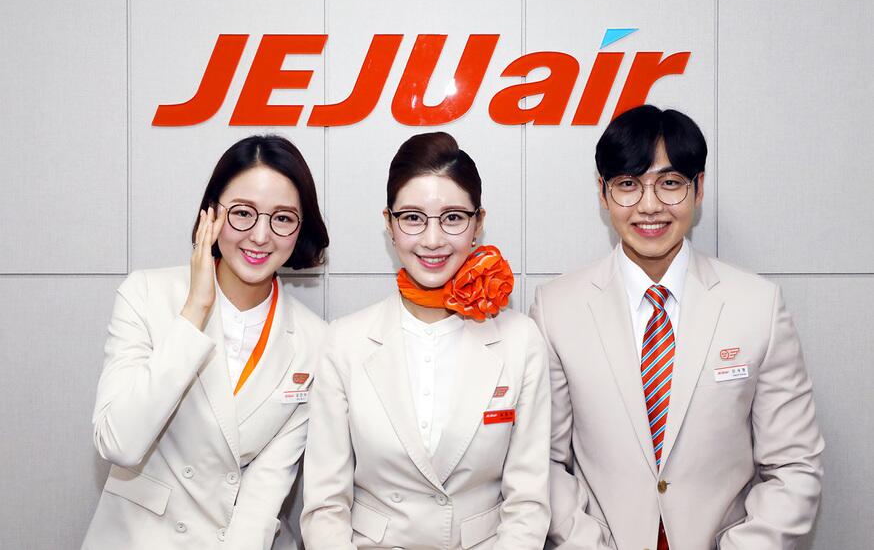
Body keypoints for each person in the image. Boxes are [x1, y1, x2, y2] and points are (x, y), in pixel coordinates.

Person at [531, 105, 824, 550]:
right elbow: (545, 462)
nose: (649, 206)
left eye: (669, 183)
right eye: (628, 184)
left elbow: (794, 466)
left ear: (698, 188)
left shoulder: (757, 306)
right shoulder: (556, 309)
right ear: (603, 193)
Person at [300, 132, 550, 549]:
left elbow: (527, 502)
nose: (433, 240)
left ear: (478, 223)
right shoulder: (344, 342)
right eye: (413, 218)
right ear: (389, 224)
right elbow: (326, 506)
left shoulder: (520, 341)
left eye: (452, 218)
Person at [82, 135, 329, 550]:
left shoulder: (315, 341)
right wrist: (194, 311)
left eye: (283, 218)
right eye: (243, 213)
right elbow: (119, 443)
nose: (261, 236)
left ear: (300, 229)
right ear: (210, 214)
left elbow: (266, 489)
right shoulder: (147, 294)